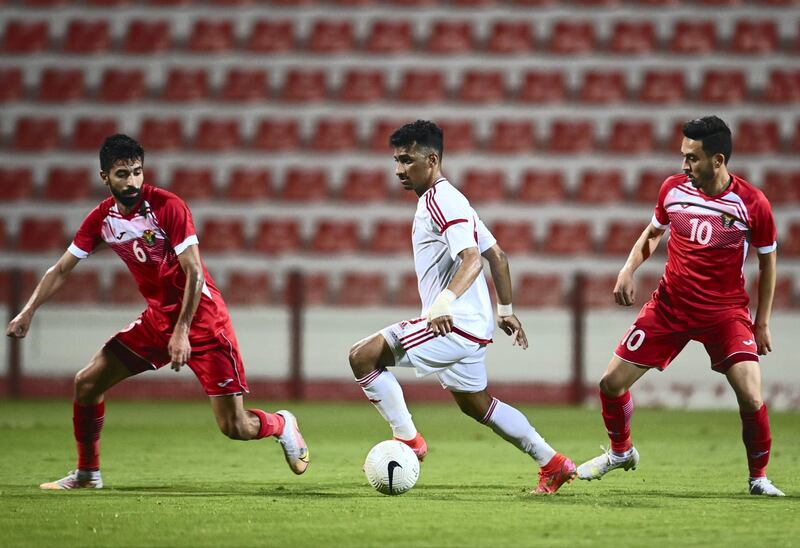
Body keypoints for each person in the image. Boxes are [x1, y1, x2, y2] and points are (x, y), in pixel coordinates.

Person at [6, 134, 309, 489]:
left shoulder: (168, 207)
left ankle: (281, 424)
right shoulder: (101, 220)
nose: (132, 181)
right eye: (123, 174)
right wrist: (27, 312)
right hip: (158, 321)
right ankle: (88, 474)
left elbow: (194, 271)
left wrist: (182, 331)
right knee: (87, 383)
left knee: (235, 427)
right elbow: (60, 269)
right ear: (105, 177)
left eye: (137, 172)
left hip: (204, 323)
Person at [348, 120, 575, 494]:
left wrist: (443, 303)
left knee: (361, 358)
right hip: (473, 326)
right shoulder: (455, 200)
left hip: (452, 324)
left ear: (432, 159)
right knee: (477, 405)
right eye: (396, 161)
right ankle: (553, 463)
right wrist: (504, 310)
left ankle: (408, 442)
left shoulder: (441, 201)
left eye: (406, 160)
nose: (398, 170)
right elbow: (497, 257)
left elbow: (473, 259)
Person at [576, 116, 784, 496]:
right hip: (670, 307)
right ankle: (621, 453)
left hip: (725, 314)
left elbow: (768, 260)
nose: (684, 166)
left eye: (693, 158)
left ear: (718, 160)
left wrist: (762, 321)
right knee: (610, 383)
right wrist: (628, 269)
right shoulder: (672, 190)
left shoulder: (753, 204)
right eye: (683, 157)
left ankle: (759, 478)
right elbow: (654, 232)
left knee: (752, 394)